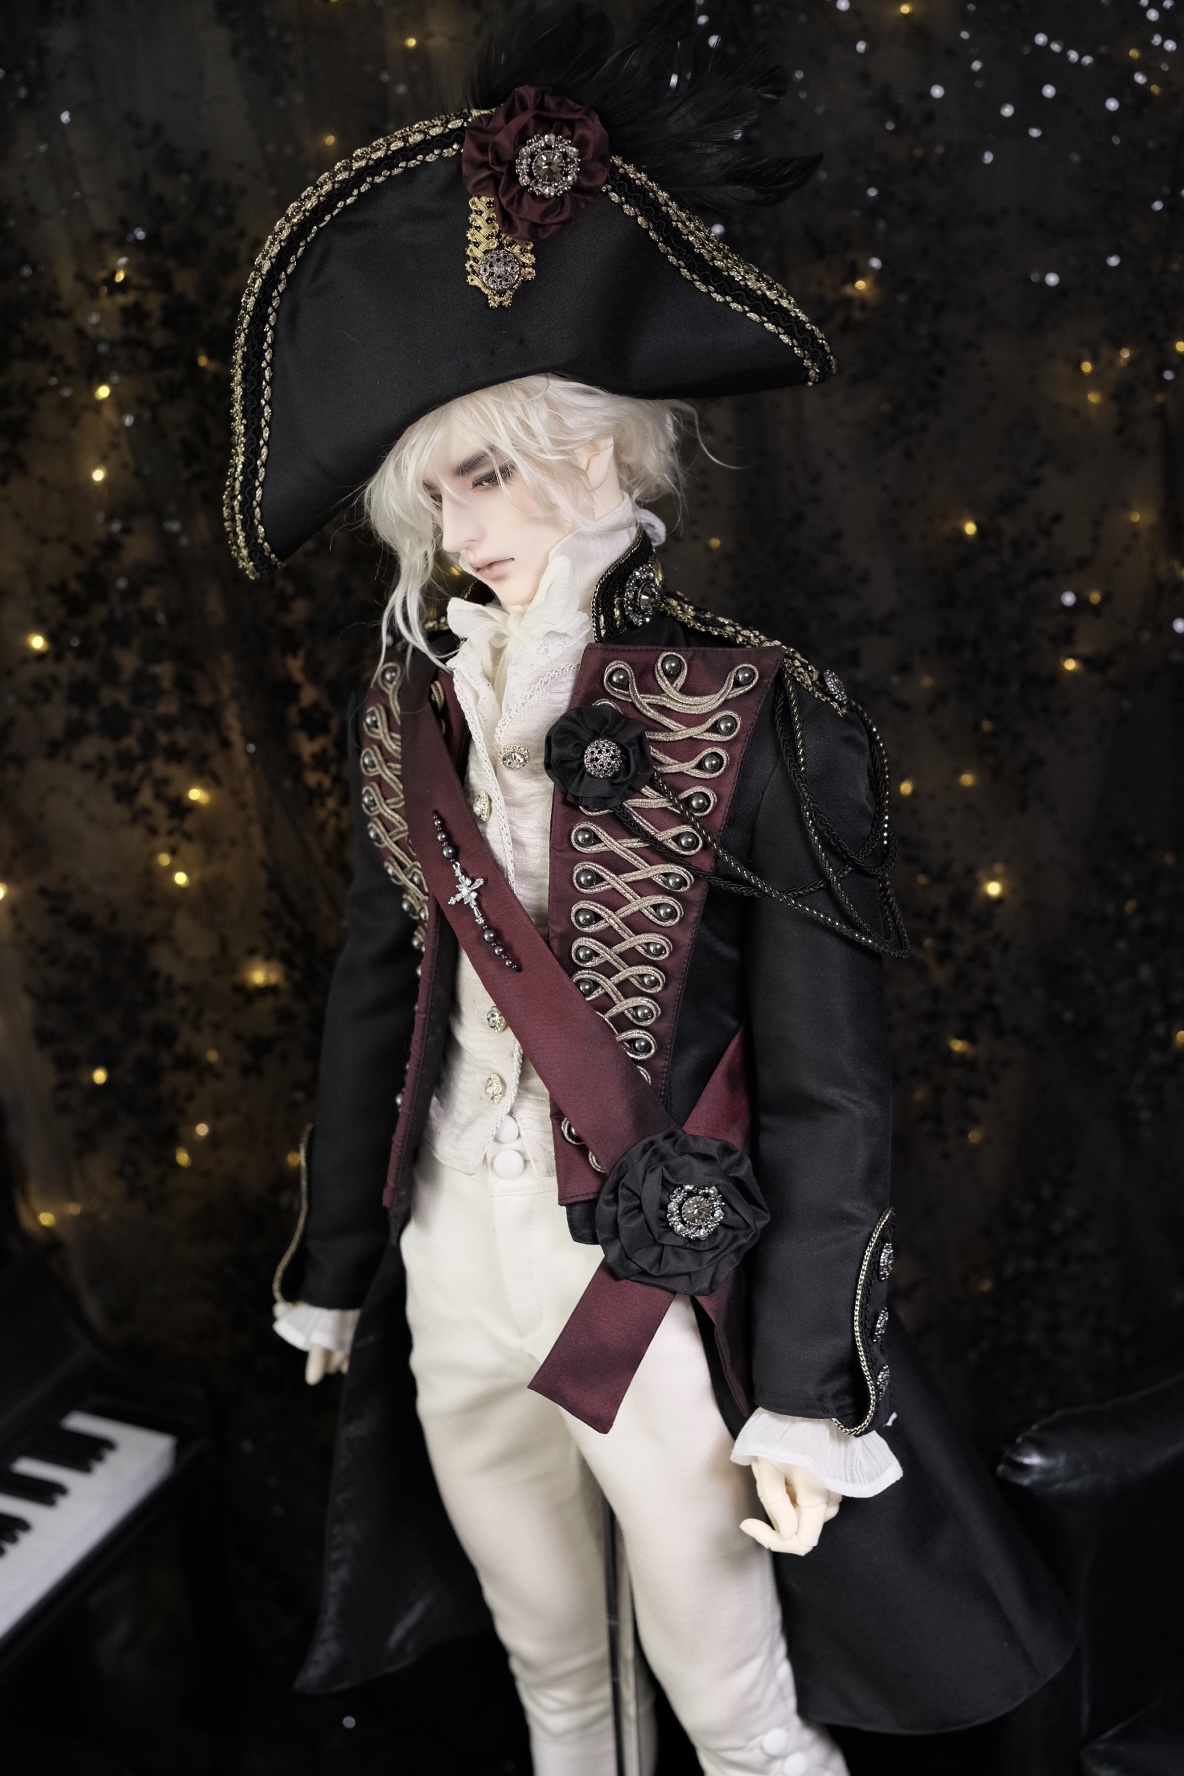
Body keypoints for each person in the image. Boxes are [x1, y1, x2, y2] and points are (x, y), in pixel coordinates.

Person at [225, 7, 1074, 1774]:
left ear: (597, 449)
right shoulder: (411, 710)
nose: (460, 528)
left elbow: (833, 1088)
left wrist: (810, 1387)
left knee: (738, 1716)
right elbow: (379, 993)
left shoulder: (755, 709)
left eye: (482, 470)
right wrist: (338, 1261)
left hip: (650, 1297)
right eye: (429, 495)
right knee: (557, 1691)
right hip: (454, 1275)